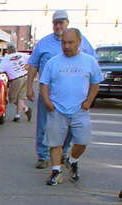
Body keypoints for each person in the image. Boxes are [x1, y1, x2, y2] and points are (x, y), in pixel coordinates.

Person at [27, 10, 96, 169]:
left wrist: (89, 98)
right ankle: (43, 156)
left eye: (61, 22)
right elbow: (33, 65)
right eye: (55, 23)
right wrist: (29, 87)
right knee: (45, 125)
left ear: (67, 22)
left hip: (74, 95)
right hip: (49, 93)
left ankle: (63, 153)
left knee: (70, 127)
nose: (58, 25)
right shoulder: (44, 43)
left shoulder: (82, 41)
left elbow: (92, 66)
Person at [39, 28, 102, 186]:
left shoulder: (89, 61)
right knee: (55, 143)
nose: (66, 46)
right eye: (64, 42)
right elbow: (44, 83)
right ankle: (56, 171)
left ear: (79, 42)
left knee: (82, 141)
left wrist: (88, 102)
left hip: (79, 110)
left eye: (70, 42)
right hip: (57, 110)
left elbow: (95, 83)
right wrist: (47, 101)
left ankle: (72, 160)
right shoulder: (53, 62)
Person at [0, 44, 31, 122]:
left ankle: (25, 109)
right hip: (26, 76)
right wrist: (27, 66)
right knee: (20, 97)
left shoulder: (6, 58)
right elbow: (33, 60)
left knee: (11, 98)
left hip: (16, 79)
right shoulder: (22, 55)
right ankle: (18, 115)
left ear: (8, 50)